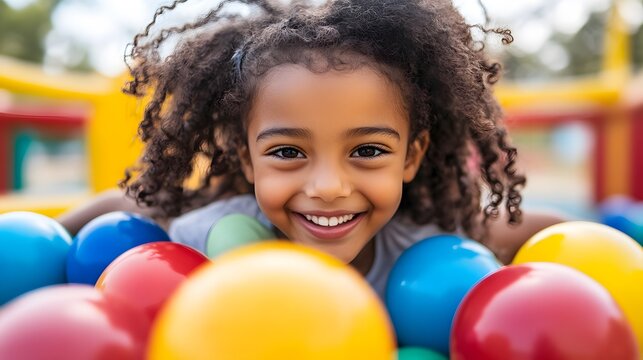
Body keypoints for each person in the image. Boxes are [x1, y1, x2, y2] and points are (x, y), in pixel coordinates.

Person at [58, 0, 563, 296]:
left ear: (411, 156)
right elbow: (122, 206)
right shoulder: (200, 235)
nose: (327, 187)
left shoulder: (434, 248)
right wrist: (56, 231)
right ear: (245, 155)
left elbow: (535, 230)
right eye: (286, 152)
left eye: (367, 152)